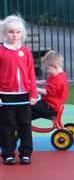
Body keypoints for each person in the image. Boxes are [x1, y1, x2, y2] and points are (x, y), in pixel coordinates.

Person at [0, 15, 39, 165]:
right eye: (11, 32)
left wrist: (33, 93)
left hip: (24, 95)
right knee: (8, 125)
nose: (14, 35)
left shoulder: (26, 52)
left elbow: (31, 74)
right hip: (6, 95)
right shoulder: (1, 52)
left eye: (17, 32)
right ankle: (8, 153)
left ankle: (25, 153)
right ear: (4, 33)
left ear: (21, 34)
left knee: (25, 125)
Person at [32, 50, 68, 121]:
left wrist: (33, 88)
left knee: (30, 105)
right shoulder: (58, 75)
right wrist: (35, 82)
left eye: (47, 69)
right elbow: (47, 82)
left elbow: (47, 92)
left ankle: (22, 123)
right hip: (49, 105)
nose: (46, 71)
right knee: (30, 109)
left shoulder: (58, 79)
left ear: (55, 67)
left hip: (50, 107)